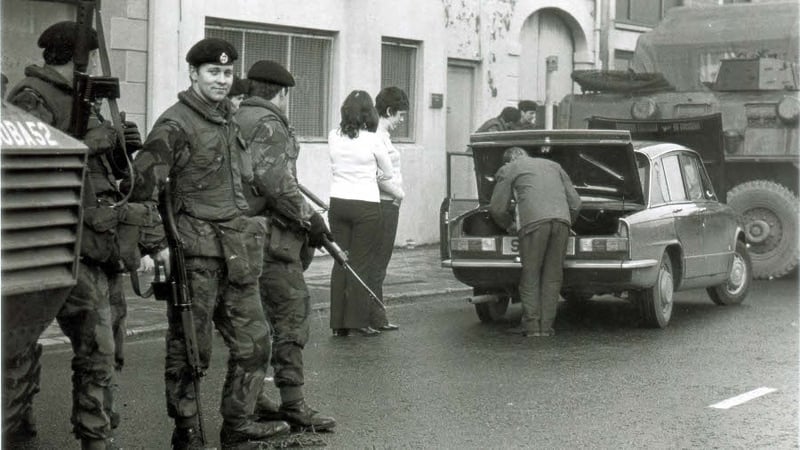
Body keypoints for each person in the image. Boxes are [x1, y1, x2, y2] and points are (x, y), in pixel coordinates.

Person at [127, 38, 289, 449]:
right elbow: (142, 191)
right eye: (213, 72)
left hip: (235, 254)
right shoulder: (174, 125)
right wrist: (155, 245)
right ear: (194, 74)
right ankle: (186, 431)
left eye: (227, 72)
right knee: (190, 352)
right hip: (194, 257)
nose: (221, 79)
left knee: (255, 341)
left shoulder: (228, 119)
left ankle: (238, 424)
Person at [5, 20, 144, 449]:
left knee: (102, 349)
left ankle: (96, 436)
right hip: (53, 244)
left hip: (95, 243)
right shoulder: (33, 97)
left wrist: (122, 148)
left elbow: (102, 168)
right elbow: (29, 167)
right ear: (75, 57)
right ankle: (18, 437)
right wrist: (92, 142)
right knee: (20, 352)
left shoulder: (84, 99)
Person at [234, 59, 336, 431]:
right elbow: (278, 184)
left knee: (254, 324)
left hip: (241, 239)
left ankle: (255, 399)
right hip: (270, 241)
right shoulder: (269, 124)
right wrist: (310, 220)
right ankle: (293, 403)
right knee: (291, 316)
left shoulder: (235, 116)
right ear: (283, 93)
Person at [489, 147, 581, 337]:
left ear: (509, 161)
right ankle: (546, 327)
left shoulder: (511, 167)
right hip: (562, 223)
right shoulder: (554, 166)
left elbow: (497, 208)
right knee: (553, 276)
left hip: (533, 224)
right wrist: (566, 220)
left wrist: (510, 225)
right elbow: (576, 203)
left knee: (530, 274)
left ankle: (531, 327)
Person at [327, 90, 394, 337]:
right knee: (361, 263)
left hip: (338, 202)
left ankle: (338, 324)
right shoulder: (373, 139)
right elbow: (387, 172)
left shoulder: (333, 136)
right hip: (365, 204)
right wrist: (372, 175)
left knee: (340, 261)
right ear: (369, 113)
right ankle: (357, 321)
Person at [372, 86, 409, 331]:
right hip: (385, 204)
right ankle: (375, 316)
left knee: (379, 262)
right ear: (389, 111)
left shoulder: (382, 135)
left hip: (388, 203)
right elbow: (379, 175)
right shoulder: (377, 135)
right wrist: (399, 193)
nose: (402, 120)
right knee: (378, 262)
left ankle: (376, 315)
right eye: (400, 115)